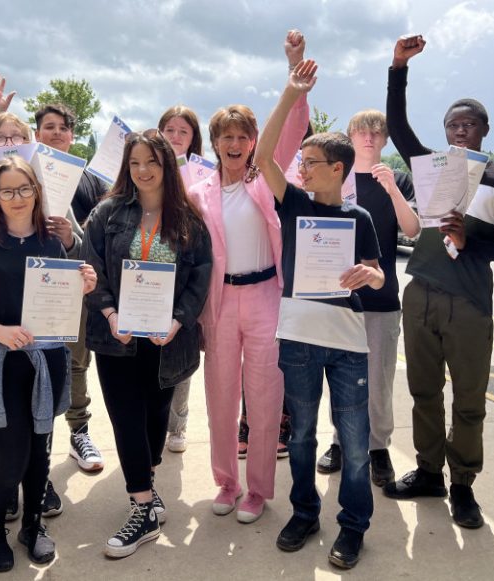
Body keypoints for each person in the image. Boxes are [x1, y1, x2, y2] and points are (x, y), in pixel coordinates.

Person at [382, 35, 494, 529]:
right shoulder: (430, 168)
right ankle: (429, 472)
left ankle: (463, 484)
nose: (460, 130)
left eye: (469, 124)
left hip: (469, 304)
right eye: (452, 124)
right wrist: (398, 68)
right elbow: (398, 127)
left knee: (468, 399)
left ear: (485, 129)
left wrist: (471, 243)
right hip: (420, 293)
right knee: (424, 391)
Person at [255, 57, 384, 568]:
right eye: (301, 161)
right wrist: (290, 92)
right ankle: (305, 512)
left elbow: (378, 274)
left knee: (354, 442)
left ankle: (353, 526)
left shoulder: (359, 216)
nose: (301, 169)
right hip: (299, 340)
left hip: (348, 343)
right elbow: (263, 156)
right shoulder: (293, 204)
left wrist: (369, 276)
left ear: (337, 168)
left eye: (310, 162)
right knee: (303, 436)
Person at [0, 155, 97, 572]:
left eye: (24, 188)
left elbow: (59, 302)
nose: (17, 198)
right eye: (7, 190)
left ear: (37, 191)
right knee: (10, 458)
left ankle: (32, 526)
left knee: (39, 454)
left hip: (44, 360)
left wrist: (82, 285)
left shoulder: (51, 242)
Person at [188, 29, 308, 526]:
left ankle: (257, 488)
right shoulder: (198, 191)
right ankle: (226, 481)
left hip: (264, 298)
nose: (234, 144)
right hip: (219, 302)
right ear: (214, 143)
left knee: (263, 398)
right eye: (226, 137)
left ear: (254, 142)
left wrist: (294, 76)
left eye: (243, 137)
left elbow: (294, 130)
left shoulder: (265, 179)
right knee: (220, 397)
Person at [82, 129, 212, 558]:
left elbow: (200, 276)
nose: (143, 170)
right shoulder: (107, 213)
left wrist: (178, 320)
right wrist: (109, 313)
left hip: (166, 339)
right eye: (135, 162)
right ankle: (142, 508)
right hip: (117, 337)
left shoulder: (189, 220)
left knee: (156, 415)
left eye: (152, 162)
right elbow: (92, 268)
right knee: (126, 417)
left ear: (167, 166)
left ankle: (147, 482)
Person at [0, 75, 108, 512]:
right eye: (47, 127)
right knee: (12, 387)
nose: (56, 133)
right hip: (7, 302)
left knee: (62, 374)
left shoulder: (74, 184)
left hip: (58, 296)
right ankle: (11, 475)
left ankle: (63, 450)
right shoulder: (5, 180)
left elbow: (86, 245)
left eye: (63, 127)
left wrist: (70, 238)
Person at [315, 110, 420, 486]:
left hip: (382, 298)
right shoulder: (335, 178)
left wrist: (392, 189)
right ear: (350, 136)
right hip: (339, 297)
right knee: (340, 376)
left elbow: (413, 229)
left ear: (385, 139)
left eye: (377, 132)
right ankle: (340, 440)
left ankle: (378, 447)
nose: (369, 137)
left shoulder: (399, 179)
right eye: (361, 131)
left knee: (379, 380)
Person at [237, 31, 312, 461]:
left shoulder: (281, 172)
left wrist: (294, 72)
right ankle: (248, 422)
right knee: (252, 361)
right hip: (247, 287)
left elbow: (295, 123)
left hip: (286, 281)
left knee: (279, 358)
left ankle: (282, 422)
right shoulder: (232, 177)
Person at [156, 104, 204, 453]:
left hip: (185, 274)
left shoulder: (202, 174)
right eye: (169, 129)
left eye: (182, 131)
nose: (175, 136)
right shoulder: (146, 167)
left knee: (181, 354)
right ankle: (154, 424)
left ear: (193, 138)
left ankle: (178, 424)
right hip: (148, 277)